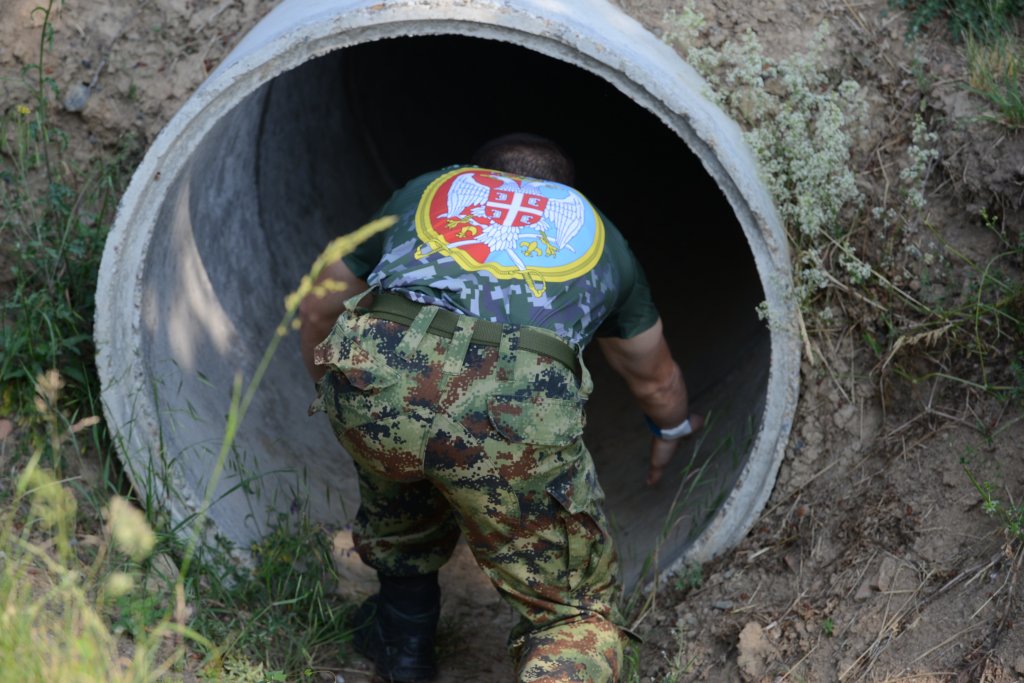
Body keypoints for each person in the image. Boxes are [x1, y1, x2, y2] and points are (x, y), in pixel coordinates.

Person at [299, 134, 703, 682]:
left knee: (399, 483)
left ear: (477, 174)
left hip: (382, 366)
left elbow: (319, 304)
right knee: (570, 611)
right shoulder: (602, 237)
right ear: (566, 195)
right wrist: (671, 429)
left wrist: (340, 395)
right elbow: (655, 378)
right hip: (514, 401)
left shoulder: (429, 190)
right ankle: (550, 649)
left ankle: (404, 648)